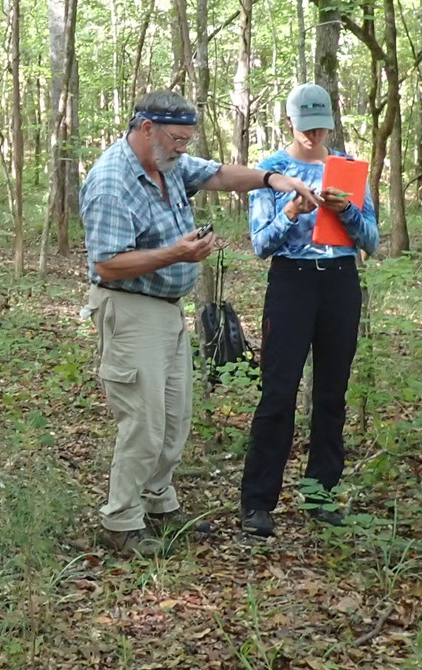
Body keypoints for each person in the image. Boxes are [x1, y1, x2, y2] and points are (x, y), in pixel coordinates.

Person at [80, 90, 318, 556]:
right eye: (177, 139)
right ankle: (121, 521)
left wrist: (275, 179)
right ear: (146, 128)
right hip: (128, 310)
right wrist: (179, 253)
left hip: (168, 311)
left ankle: (158, 502)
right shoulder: (112, 180)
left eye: (188, 140)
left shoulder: (168, 163)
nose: (184, 149)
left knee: (174, 418)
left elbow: (221, 174)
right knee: (143, 422)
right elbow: (106, 263)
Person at [239, 84, 378, 538]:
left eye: (322, 127)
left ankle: (321, 494)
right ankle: (258, 503)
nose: (315, 135)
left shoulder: (348, 168)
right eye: (306, 128)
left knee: (331, 394)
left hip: (339, 281)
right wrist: (294, 212)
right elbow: (260, 243)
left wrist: (348, 212)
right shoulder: (272, 170)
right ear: (289, 124)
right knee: (278, 392)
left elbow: (372, 240)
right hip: (291, 281)